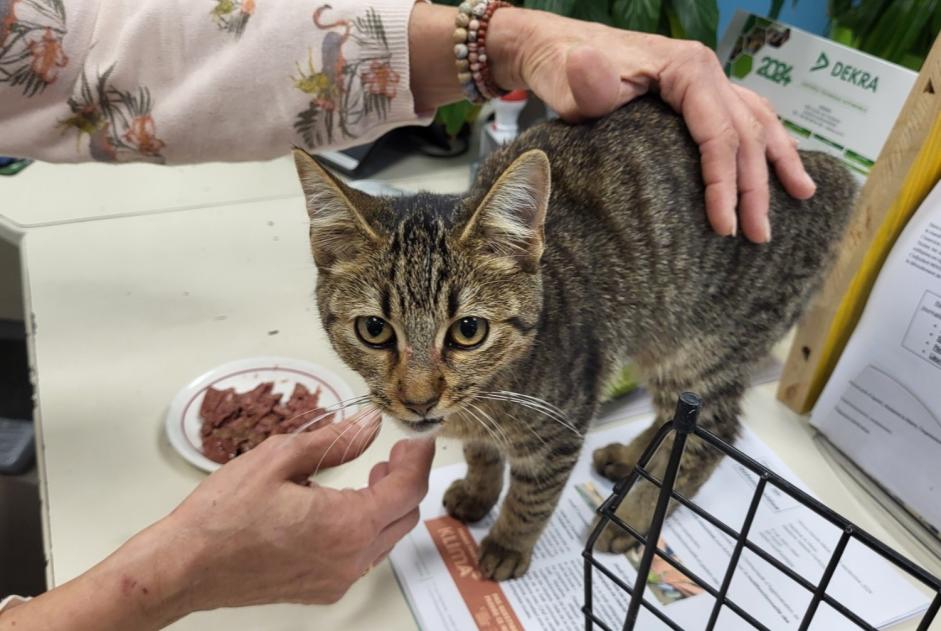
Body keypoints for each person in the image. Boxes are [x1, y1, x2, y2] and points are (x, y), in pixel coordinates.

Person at [0, 1, 816, 627]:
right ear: (326, 258)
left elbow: (97, 43)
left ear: (522, 249)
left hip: (731, 235)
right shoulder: (428, 325)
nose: (417, 387)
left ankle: (665, 471)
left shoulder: (526, 298)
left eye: (465, 333)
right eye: (375, 334)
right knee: (498, 422)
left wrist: (514, 535)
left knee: (692, 389)